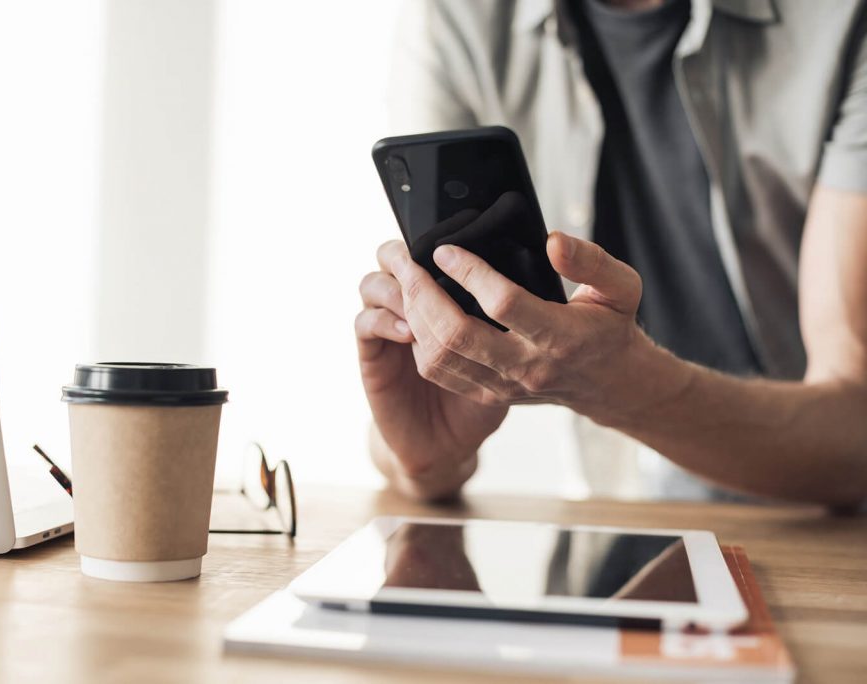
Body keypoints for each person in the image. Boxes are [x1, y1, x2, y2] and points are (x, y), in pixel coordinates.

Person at [355, 0, 867, 508]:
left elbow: (855, 431)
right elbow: (419, 457)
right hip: (621, 518)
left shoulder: (842, 20)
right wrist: (424, 456)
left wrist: (624, 388)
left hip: (826, 527)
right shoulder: (455, 18)